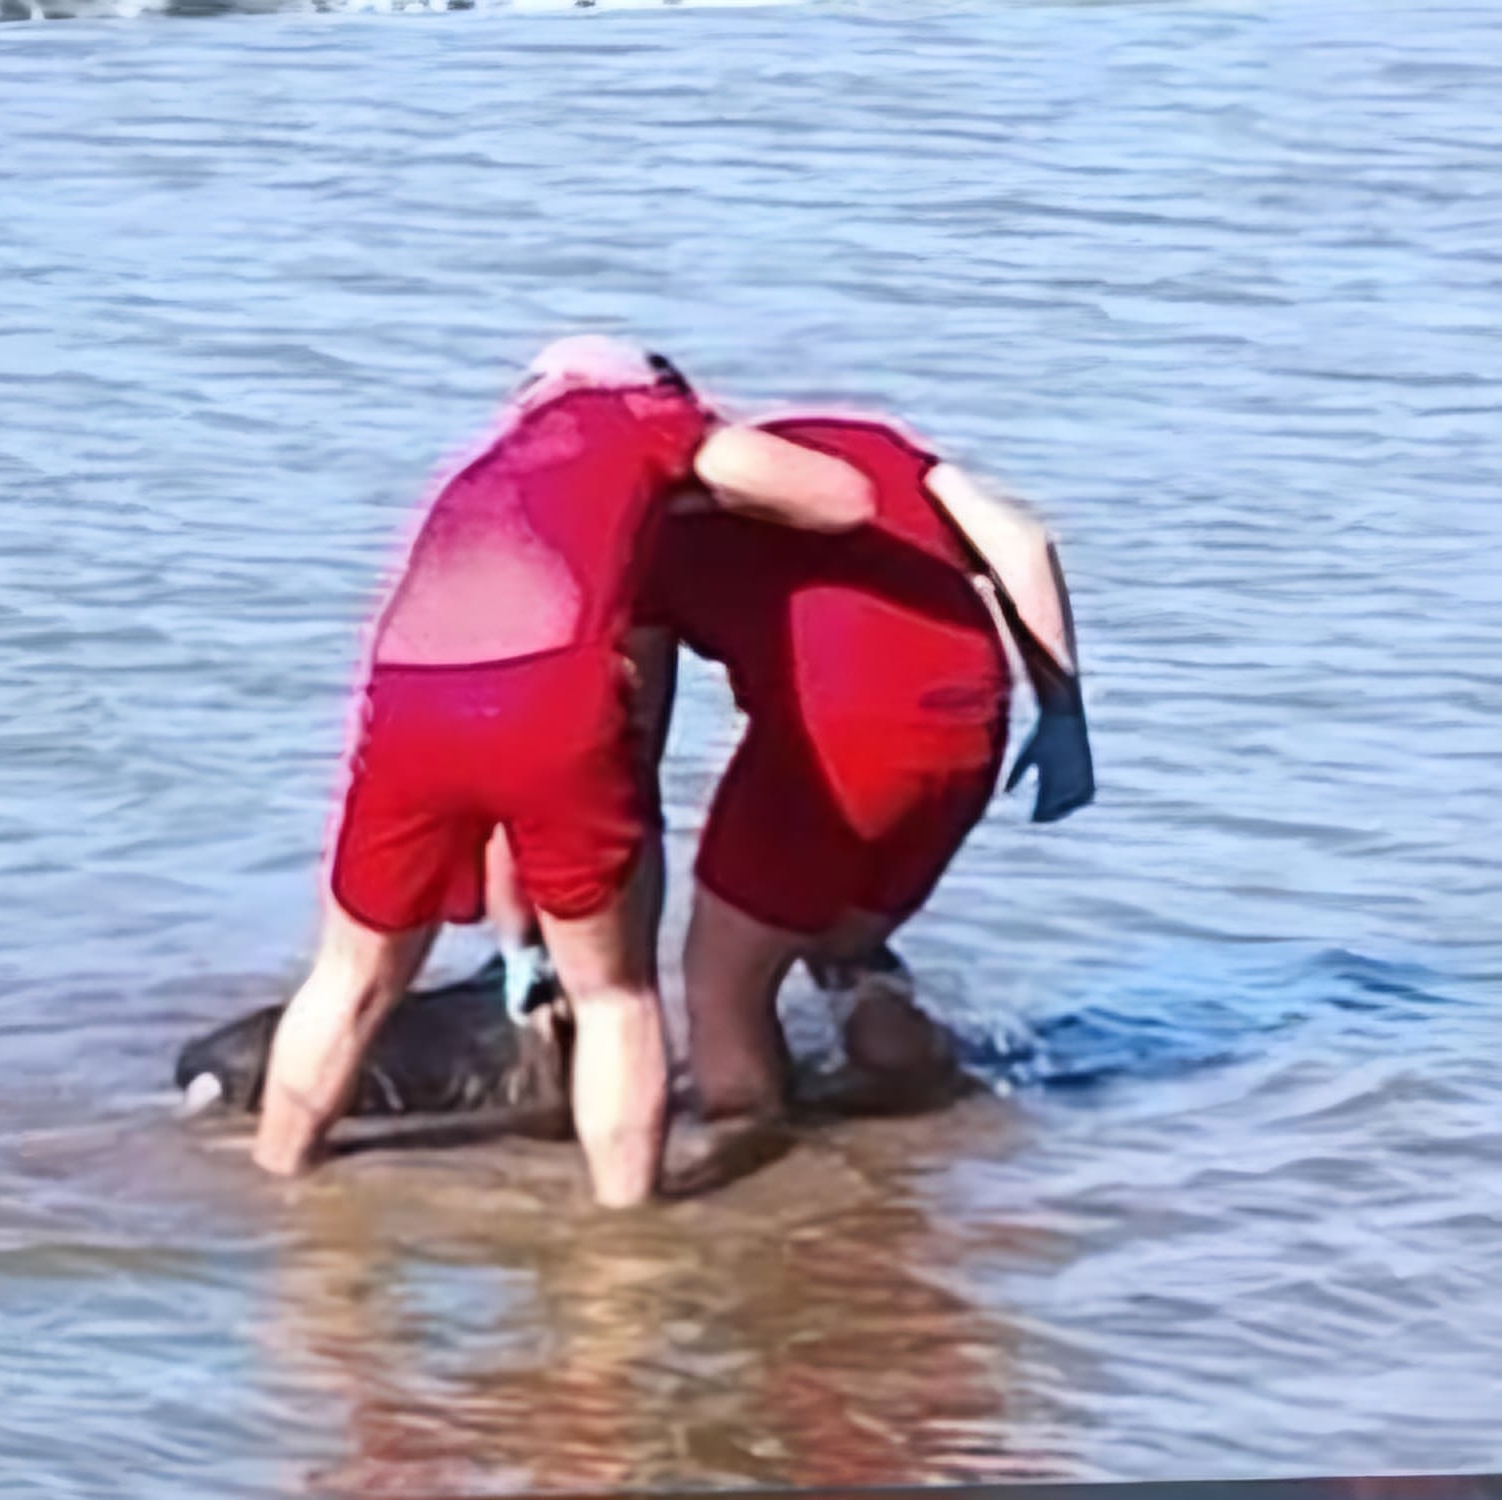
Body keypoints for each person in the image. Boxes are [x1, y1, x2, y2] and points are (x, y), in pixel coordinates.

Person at [250, 336, 877, 1208]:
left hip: (405, 695)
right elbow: (843, 498)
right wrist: (705, 477)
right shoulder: (640, 417)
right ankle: (623, 1238)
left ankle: (276, 1186)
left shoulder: (487, 460)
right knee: (616, 997)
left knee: (350, 976)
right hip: (548, 696)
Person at [628, 409, 1095, 1121]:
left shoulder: (639, 531)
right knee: (839, 940)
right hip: (969, 716)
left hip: (837, 734)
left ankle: (745, 1168)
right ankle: (922, 1096)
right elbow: (1023, 544)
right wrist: (1062, 714)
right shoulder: (859, 443)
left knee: (723, 986)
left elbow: (636, 733)